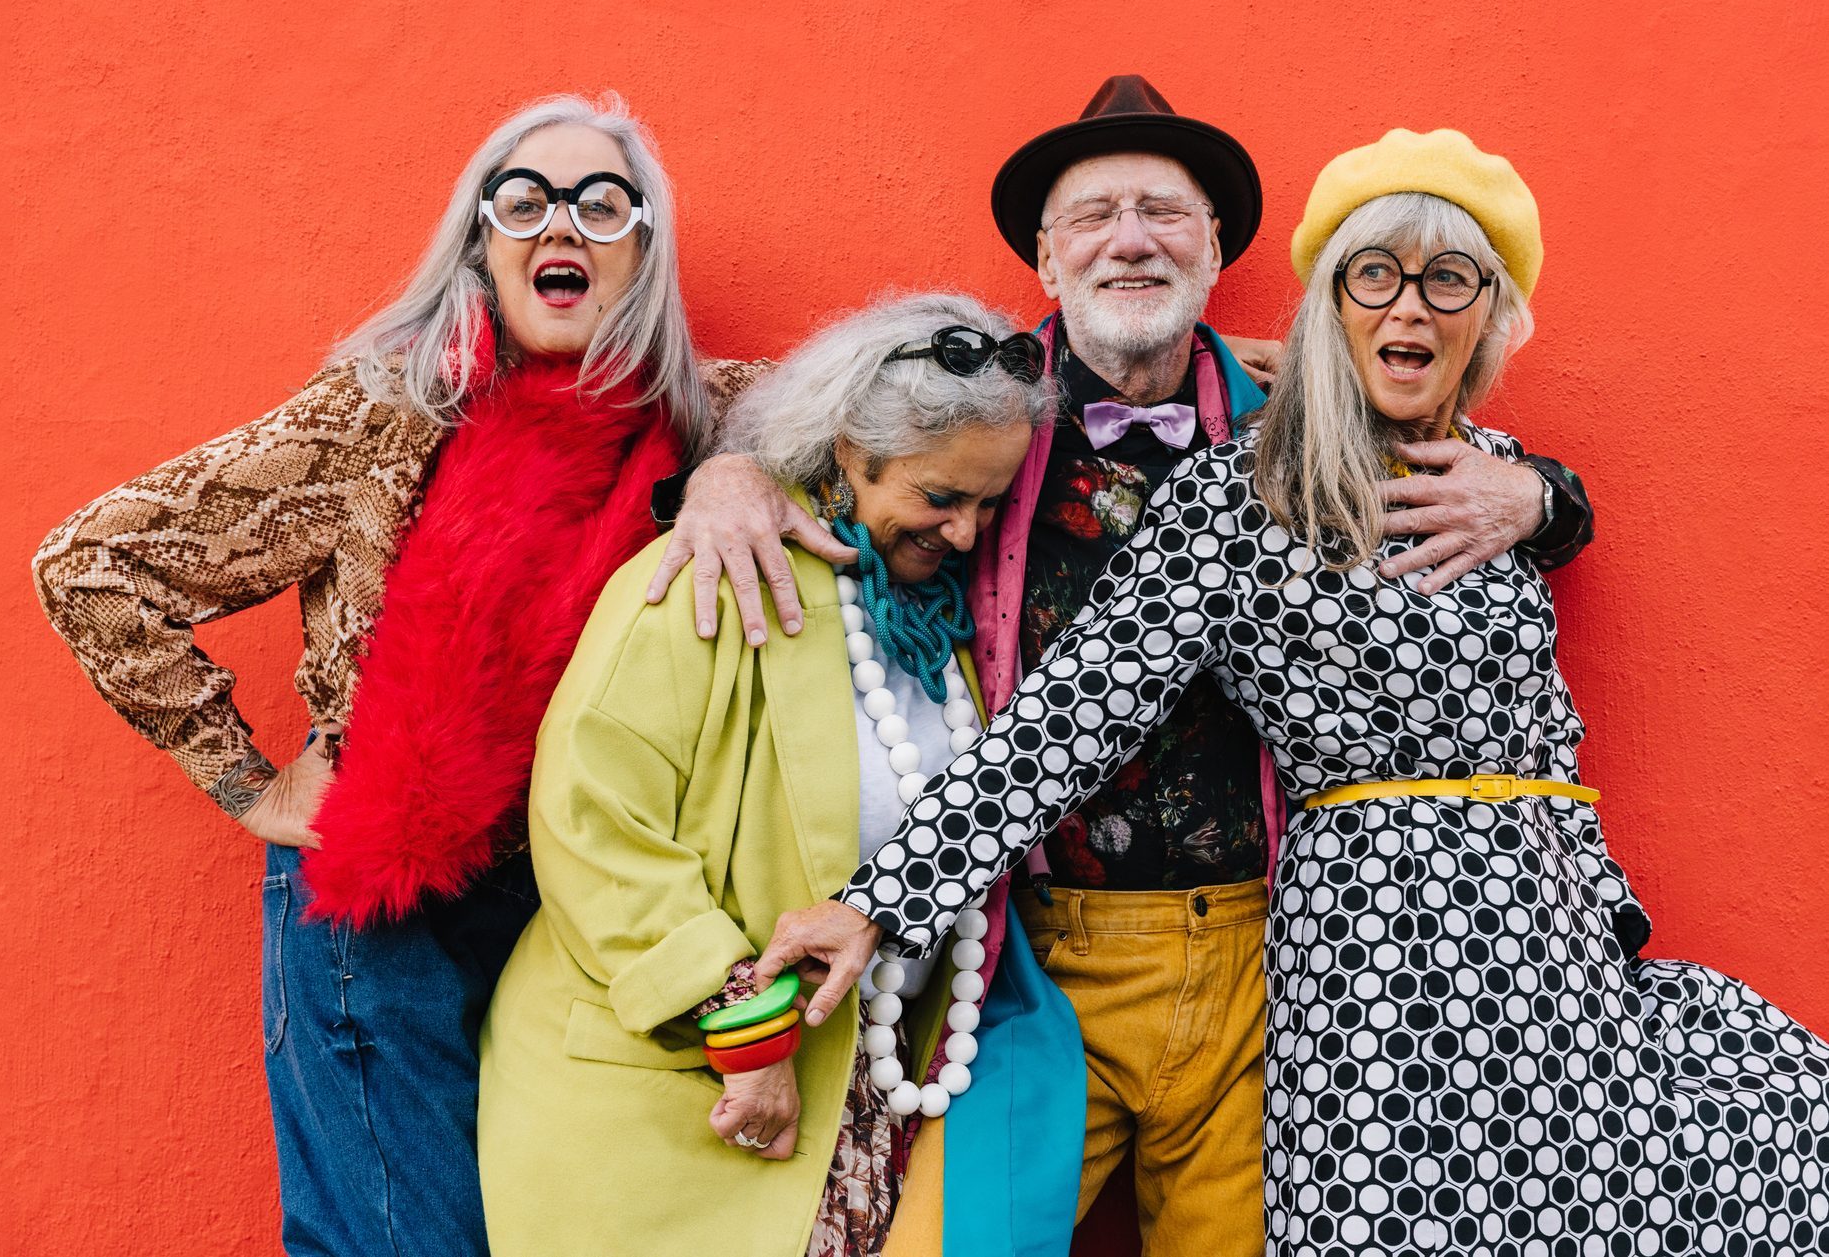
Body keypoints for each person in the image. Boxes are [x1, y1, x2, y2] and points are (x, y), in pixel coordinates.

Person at [764, 129, 1829, 1255]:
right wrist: (881, 903)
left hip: (1546, 937)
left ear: (1487, 315)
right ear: (1331, 302)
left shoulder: (1497, 472)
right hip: (1373, 937)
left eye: (1444, 280)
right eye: (1374, 276)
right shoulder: (1239, 495)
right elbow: (1061, 725)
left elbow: (1542, 722)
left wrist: (1601, 909)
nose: (1406, 311)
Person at [681, 77, 1595, 1256]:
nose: (1130, 238)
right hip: (1046, 952)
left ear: (1216, 251)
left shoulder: (1354, 423)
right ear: (1046, 260)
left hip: (1303, 954)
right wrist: (727, 473)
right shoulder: (993, 408)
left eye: (1162, 211)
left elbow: (1530, 678)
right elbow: (1057, 710)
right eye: (1093, 214)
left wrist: (1546, 498)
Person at [29, 93, 778, 1257]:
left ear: (645, 244)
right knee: (399, 1239)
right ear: (480, 242)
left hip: (594, 909)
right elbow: (92, 564)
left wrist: (739, 477)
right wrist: (247, 784)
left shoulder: (716, 418)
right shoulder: (385, 414)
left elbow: (896, 440)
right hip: (382, 914)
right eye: (521, 201)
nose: (559, 226)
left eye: (601, 202)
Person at [477, 292, 1078, 1257]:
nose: (965, 534)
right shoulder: (712, 575)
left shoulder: (941, 632)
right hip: (676, 1108)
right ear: (848, 450)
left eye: (988, 505)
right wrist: (748, 1034)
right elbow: (596, 824)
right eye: (938, 497)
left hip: (857, 1117)